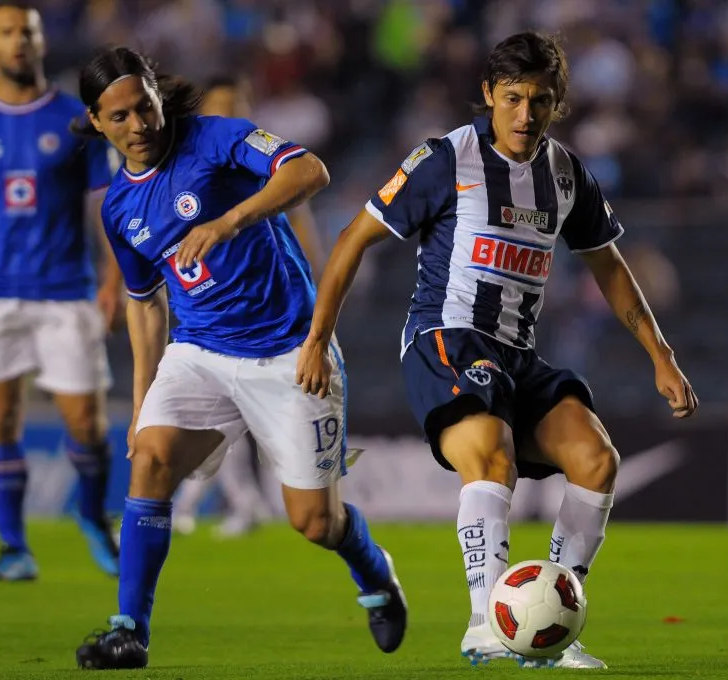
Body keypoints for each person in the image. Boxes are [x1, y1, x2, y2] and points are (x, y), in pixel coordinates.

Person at [297, 31, 698, 669]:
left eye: (540, 100)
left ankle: (551, 621)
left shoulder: (566, 172)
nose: (525, 114)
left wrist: (662, 355)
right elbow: (351, 240)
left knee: (596, 460)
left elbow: (611, 268)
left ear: (557, 102)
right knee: (492, 454)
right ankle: (487, 619)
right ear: (488, 95)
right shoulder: (444, 159)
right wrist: (317, 339)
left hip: (517, 353)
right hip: (446, 338)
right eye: (512, 98)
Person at [70, 47, 407, 670]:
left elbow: (311, 172)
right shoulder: (119, 207)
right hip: (198, 350)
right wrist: (143, 398)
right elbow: (145, 305)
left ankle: (376, 573)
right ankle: (129, 631)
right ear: (96, 121)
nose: (139, 126)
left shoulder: (216, 138)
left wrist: (227, 222)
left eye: (144, 107)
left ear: (156, 94)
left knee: (314, 523)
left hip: (289, 350)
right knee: (149, 457)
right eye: (119, 117)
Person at [0, 2, 122, 581]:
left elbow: (106, 208)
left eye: (27, 31)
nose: (19, 42)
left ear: (41, 40)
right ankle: (13, 548)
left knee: (88, 426)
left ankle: (94, 515)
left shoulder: (78, 121)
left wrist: (112, 281)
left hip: (64, 292)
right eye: (7, 33)